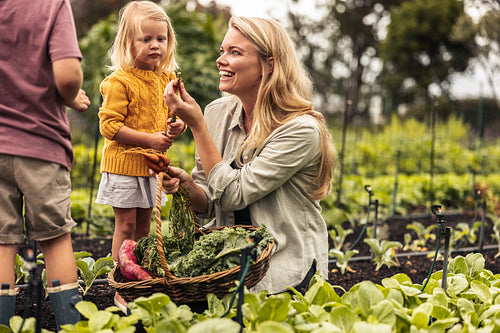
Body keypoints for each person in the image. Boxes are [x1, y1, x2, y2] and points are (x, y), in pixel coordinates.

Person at [163, 16, 338, 294]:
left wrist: (196, 125)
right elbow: (209, 200)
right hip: (228, 267)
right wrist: (186, 184)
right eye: (223, 51)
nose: (221, 60)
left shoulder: (301, 130)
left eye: (235, 52)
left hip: (287, 275)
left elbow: (233, 194)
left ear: (268, 65)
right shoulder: (216, 113)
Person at [0, 0, 90, 330]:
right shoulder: (51, 5)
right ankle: (70, 326)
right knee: (54, 240)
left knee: (2, 241)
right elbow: (67, 77)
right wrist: (72, 96)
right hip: (40, 145)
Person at [95, 0, 184, 311]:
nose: (154, 45)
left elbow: (178, 114)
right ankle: (121, 284)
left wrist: (177, 126)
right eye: (145, 39)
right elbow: (109, 126)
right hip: (123, 165)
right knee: (126, 225)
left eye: (160, 39)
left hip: (150, 168)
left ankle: (140, 282)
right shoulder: (119, 81)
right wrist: (149, 139)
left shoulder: (167, 79)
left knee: (146, 228)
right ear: (127, 43)